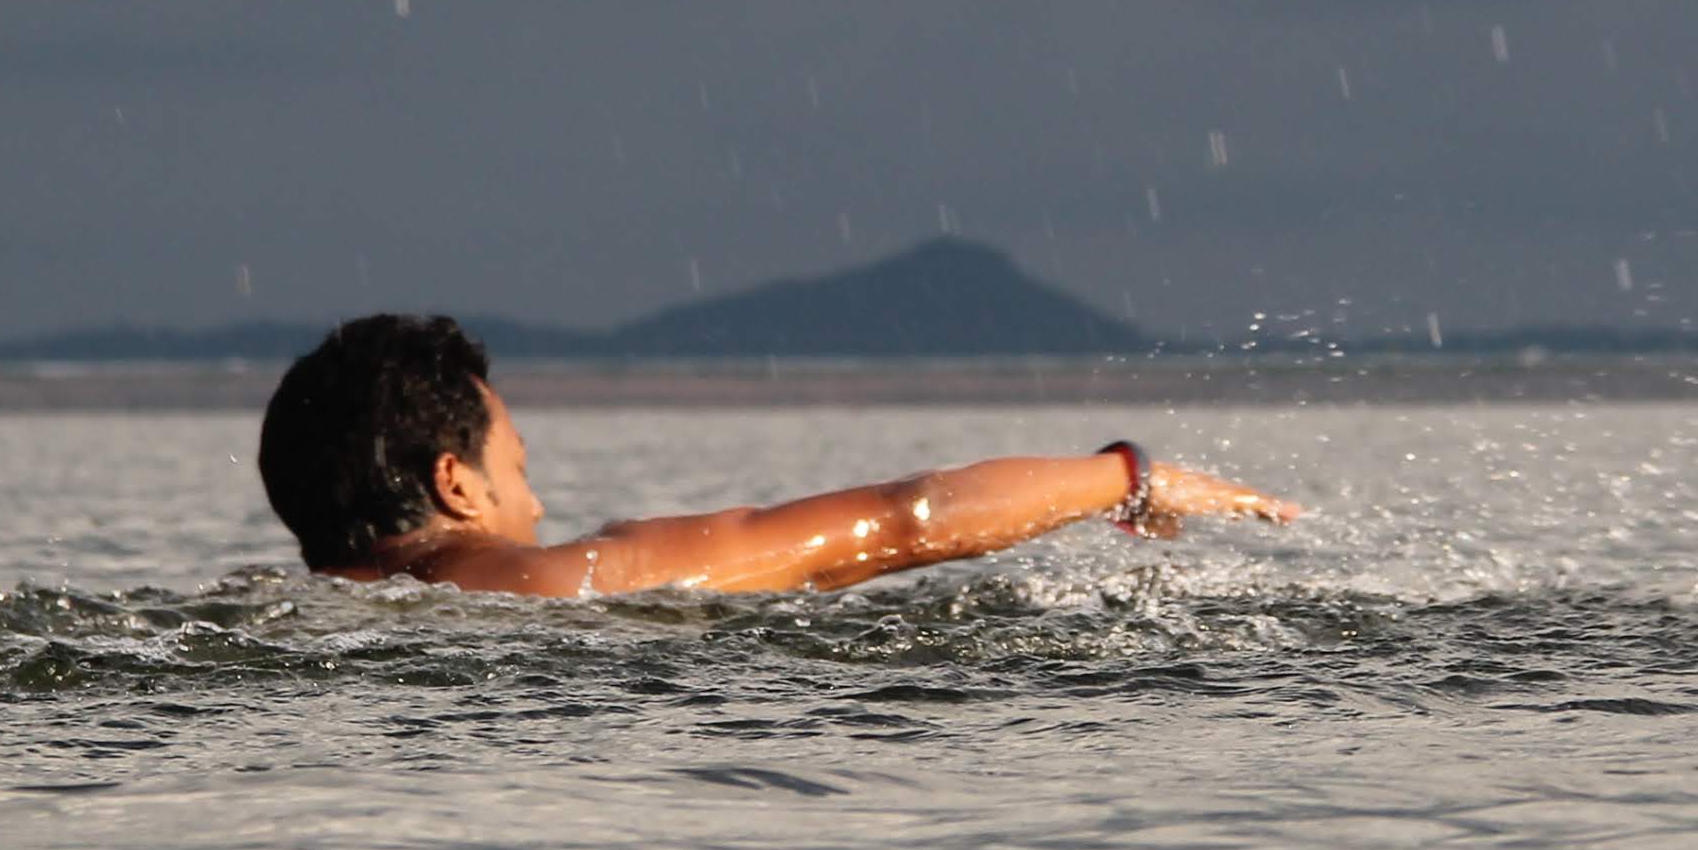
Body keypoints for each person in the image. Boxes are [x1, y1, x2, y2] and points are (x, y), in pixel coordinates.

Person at [256, 313, 1296, 594]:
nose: (534, 501)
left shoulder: (275, 613)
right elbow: (905, 519)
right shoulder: (555, 580)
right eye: (518, 468)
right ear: (454, 481)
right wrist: (1130, 477)